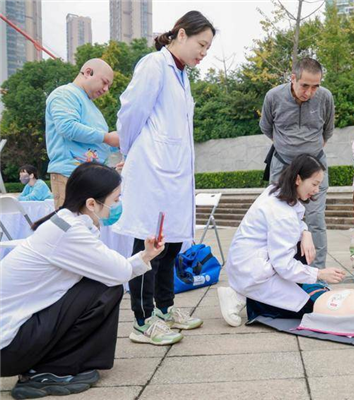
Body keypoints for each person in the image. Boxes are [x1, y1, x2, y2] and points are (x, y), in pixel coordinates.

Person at [0, 163, 164, 399]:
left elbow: (112, 267)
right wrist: (144, 257)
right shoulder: (70, 231)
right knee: (106, 289)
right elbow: (117, 273)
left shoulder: (66, 222)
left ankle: (51, 363)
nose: (117, 206)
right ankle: (49, 370)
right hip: (9, 348)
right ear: (91, 203)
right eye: (115, 200)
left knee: (98, 284)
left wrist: (145, 256)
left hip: (12, 342)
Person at [113, 11, 215, 345]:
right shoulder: (153, 65)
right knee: (148, 245)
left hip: (173, 175)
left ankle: (164, 308)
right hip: (152, 170)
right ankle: (142, 321)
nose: (203, 52)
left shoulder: (182, 75)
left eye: (208, 48)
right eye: (201, 44)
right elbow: (130, 114)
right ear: (181, 35)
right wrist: (133, 153)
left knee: (169, 245)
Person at [218, 154, 346, 327]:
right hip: (254, 272)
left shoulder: (275, 191)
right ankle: (241, 296)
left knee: (301, 248)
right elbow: (284, 265)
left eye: (319, 185)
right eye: (314, 184)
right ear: (298, 179)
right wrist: (319, 274)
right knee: (310, 310)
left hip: (247, 263)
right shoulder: (282, 214)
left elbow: (295, 220)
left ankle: (244, 294)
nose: (317, 190)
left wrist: (306, 232)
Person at [260, 57, 335, 269]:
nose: (309, 92)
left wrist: (309, 154)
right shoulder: (273, 97)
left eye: (315, 86)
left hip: (315, 167)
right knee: (277, 218)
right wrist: (287, 146)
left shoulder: (325, 97)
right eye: (305, 86)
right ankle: (279, 267)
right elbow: (266, 127)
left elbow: (327, 130)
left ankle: (317, 273)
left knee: (315, 220)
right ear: (293, 78)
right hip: (283, 165)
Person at [45, 58, 119, 208]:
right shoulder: (65, 94)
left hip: (91, 178)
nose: (106, 89)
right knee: (72, 227)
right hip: (70, 175)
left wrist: (118, 143)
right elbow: (67, 127)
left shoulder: (91, 106)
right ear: (88, 72)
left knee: (89, 229)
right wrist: (107, 137)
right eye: (104, 82)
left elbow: (99, 144)